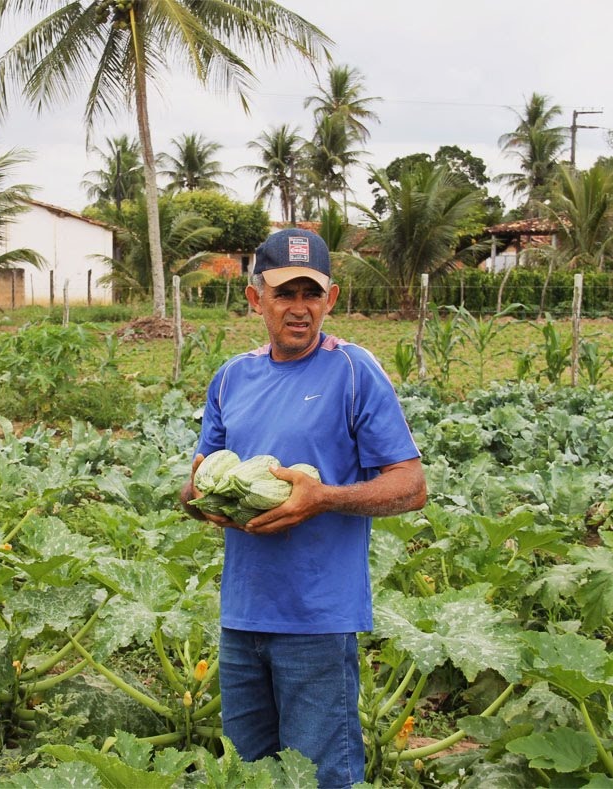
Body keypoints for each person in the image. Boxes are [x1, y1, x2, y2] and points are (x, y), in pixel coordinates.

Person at [180, 227, 426, 788]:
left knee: (320, 779)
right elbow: (194, 486)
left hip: (318, 619)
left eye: (310, 294)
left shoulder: (354, 371)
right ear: (254, 298)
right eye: (283, 294)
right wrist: (201, 499)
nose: (298, 309)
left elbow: (411, 486)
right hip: (241, 617)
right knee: (248, 776)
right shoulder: (231, 378)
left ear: (330, 299)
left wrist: (324, 499)